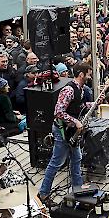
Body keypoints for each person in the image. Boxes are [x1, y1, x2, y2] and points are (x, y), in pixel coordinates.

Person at [39, 63, 95, 204]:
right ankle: (43, 194)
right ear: (81, 74)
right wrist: (75, 121)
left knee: (77, 159)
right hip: (62, 130)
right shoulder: (69, 90)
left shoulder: (80, 90)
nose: (90, 76)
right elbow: (58, 112)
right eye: (88, 73)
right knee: (56, 162)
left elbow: (79, 106)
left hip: (72, 131)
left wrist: (93, 104)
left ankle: (77, 189)